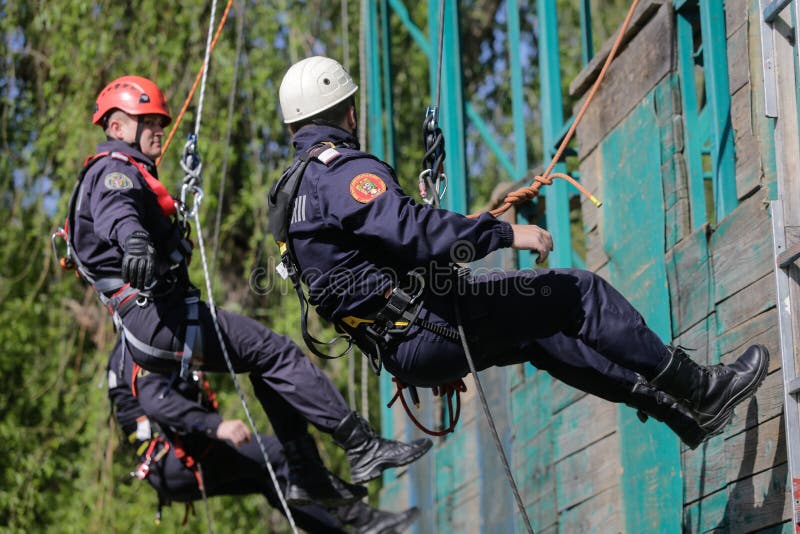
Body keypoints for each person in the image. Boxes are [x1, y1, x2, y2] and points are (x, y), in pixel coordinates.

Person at [270, 56, 769, 448]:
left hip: (405, 343)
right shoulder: (338, 173)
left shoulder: (290, 196)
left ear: (294, 127)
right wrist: (504, 233)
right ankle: (701, 389)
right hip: (424, 328)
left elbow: (370, 262)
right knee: (578, 293)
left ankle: (679, 414)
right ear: (348, 111)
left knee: (540, 334)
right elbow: (414, 231)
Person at [66, 75, 431, 506]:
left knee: (264, 362)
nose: (158, 131)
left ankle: (305, 473)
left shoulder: (119, 171)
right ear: (117, 127)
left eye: (159, 122)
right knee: (276, 351)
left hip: (153, 319)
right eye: (147, 122)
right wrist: (135, 241)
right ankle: (360, 445)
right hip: (157, 318)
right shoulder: (114, 171)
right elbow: (118, 211)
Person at [106, 339, 420, 533]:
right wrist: (215, 425)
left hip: (170, 468)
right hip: (175, 458)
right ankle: (365, 521)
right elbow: (156, 401)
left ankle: (362, 525)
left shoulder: (128, 348)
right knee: (280, 458)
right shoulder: (138, 347)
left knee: (272, 482)